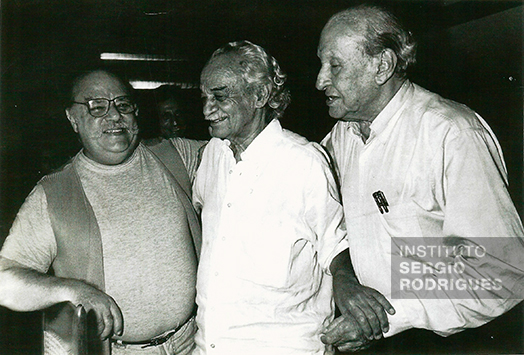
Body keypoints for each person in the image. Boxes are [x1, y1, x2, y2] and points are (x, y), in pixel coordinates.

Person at [316, 4, 524, 353]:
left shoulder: (451, 133)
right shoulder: (341, 138)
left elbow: (501, 272)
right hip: (370, 341)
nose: (320, 80)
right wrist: (345, 277)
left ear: (382, 65)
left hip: (447, 343)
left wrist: (385, 318)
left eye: (334, 66)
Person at [0, 69, 205, 355]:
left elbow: (243, 153)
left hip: (192, 342)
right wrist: (74, 290)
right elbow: (5, 281)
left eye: (123, 104)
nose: (114, 116)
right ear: (73, 119)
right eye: (97, 107)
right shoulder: (52, 194)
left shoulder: (176, 156)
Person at [192, 40, 349, 355]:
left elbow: (336, 248)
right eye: (204, 97)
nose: (207, 108)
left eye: (219, 96)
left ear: (260, 95)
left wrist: (350, 288)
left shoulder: (304, 161)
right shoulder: (213, 154)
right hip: (210, 346)